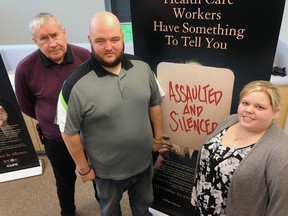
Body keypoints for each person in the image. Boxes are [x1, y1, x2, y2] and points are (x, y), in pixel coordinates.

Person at [57, 11, 163, 216]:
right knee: (110, 211)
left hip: (143, 162)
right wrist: (84, 169)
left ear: (123, 37)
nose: (108, 47)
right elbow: (68, 133)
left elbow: (155, 104)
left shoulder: (143, 67)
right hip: (106, 173)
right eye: (100, 40)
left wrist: (158, 138)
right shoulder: (73, 85)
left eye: (115, 39)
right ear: (90, 40)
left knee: (143, 206)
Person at [14, 12, 93, 216]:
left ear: (64, 33)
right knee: (64, 182)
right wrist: (50, 119)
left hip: (90, 135)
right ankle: (67, 212)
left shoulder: (85, 58)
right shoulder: (25, 69)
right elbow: (26, 106)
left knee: (98, 176)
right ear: (35, 41)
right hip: (56, 139)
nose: (52, 43)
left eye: (55, 35)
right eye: (43, 38)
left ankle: (106, 207)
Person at [191, 80, 288, 215]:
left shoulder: (280, 152)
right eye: (245, 103)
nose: (249, 110)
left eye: (259, 107)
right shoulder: (229, 120)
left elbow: (281, 206)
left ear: (275, 112)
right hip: (202, 207)